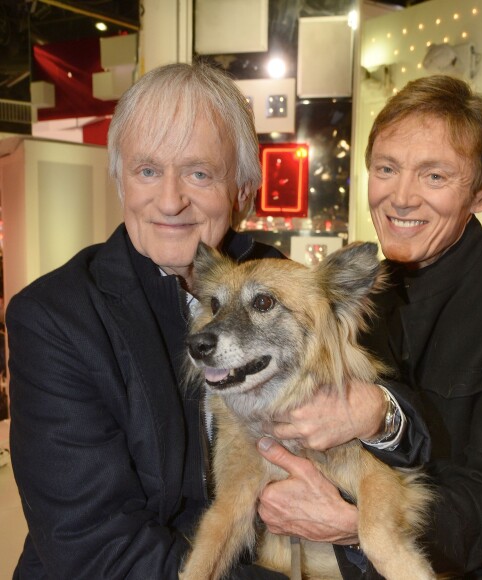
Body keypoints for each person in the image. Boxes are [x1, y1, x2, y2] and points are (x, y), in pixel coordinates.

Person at [256, 75, 482, 579]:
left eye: (435, 176)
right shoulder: (353, 291)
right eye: (387, 169)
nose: (402, 197)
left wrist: (358, 524)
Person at [7, 60, 292, 579]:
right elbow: (95, 546)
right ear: (121, 182)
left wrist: (379, 415)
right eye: (148, 171)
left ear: (243, 190)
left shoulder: (279, 285)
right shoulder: (54, 319)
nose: (170, 200)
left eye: (199, 173)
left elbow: (363, 387)